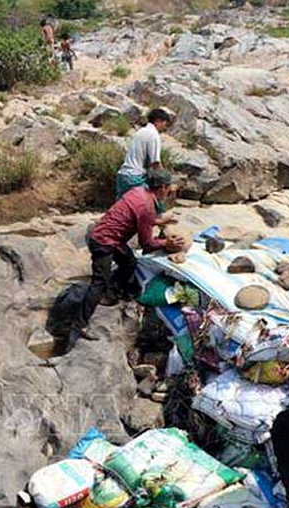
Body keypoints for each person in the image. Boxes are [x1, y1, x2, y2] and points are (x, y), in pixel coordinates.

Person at [70, 169, 185, 346]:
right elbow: (146, 243)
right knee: (99, 282)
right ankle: (78, 326)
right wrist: (166, 243)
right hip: (104, 241)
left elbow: (141, 217)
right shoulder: (147, 207)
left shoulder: (139, 191)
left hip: (111, 237)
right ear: (162, 188)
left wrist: (158, 221)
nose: (169, 191)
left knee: (129, 262)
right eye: (168, 188)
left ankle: (112, 293)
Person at [116, 108, 172, 201]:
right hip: (135, 178)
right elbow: (155, 164)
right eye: (165, 124)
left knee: (121, 207)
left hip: (123, 175)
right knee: (148, 204)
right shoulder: (153, 135)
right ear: (157, 121)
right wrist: (166, 181)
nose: (164, 128)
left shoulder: (141, 131)